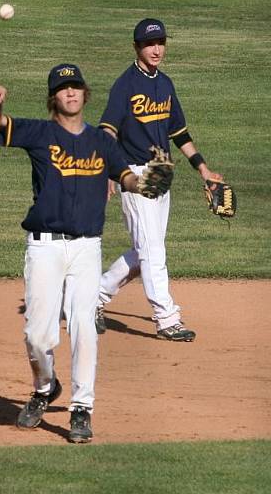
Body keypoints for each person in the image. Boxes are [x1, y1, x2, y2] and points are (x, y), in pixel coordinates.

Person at [0, 63, 169, 443]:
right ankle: (44, 387)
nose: (71, 93)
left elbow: (126, 176)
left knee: (85, 326)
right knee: (38, 334)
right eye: (64, 88)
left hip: (87, 247)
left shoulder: (102, 142)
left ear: (85, 94)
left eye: (76, 87)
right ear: (54, 97)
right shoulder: (40, 132)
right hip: (44, 247)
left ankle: (82, 408)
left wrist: (147, 181)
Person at [95, 18, 223, 340]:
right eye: (150, 44)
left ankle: (91, 297)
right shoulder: (125, 85)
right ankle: (167, 318)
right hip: (135, 176)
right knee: (152, 251)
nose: (156, 49)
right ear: (136, 47)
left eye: (161, 42)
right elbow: (107, 130)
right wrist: (110, 171)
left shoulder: (165, 84)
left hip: (161, 173)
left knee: (145, 251)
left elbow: (179, 133)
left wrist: (203, 169)